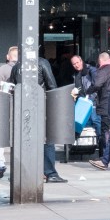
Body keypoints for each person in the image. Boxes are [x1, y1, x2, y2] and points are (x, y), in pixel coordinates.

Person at [9, 55, 67, 183]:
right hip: (40, 106)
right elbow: (51, 84)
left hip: (22, 109)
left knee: (25, 139)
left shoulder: (17, 65)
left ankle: (24, 172)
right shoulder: (42, 63)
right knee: (47, 139)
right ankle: (50, 172)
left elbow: (11, 85)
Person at [78, 51, 110, 162]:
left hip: (106, 102)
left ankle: (106, 155)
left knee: (105, 129)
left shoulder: (103, 70)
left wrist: (88, 91)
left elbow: (97, 84)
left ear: (100, 60)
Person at [0, 45, 17, 179]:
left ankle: (0, 163)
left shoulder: (4, 68)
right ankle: (17, 168)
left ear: (8, 57)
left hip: (5, 106)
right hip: (20, 108)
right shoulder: (24, 69)